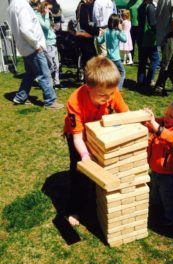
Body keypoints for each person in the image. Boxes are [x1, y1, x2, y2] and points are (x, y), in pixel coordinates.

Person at [63, 55, 129, 226]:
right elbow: (77, 137)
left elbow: (126, 116)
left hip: (98, 133)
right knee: (79, 172)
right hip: (78, 136)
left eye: (111, 94)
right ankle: (74, 208)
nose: (108, 99)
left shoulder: (110, 92)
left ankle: (98, 198)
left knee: (103, 163)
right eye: (102, 95)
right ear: (88, 87)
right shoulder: (74, 102)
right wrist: (84, 155)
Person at [8, 0, 63, 109]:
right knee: (44, 73)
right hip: (32, 47)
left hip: (25, 47)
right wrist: (37, 45)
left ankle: (20, 97)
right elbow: (25, 30)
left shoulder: (13, 5)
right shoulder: (23, 6)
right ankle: (50, 101)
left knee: (30, 73)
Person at [96, 14, 127, 90]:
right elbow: (124, 39)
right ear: (117, 23)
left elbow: (99, 42)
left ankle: (108, 87)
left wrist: (98, 35)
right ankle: (118, 89)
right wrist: (121, 30)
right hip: (116, 58)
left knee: (111, 74)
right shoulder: (117, 33)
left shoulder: (106, 32)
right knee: (122, 73)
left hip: (109, 57)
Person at [36, 1, 61, 89]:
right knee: (50, 65)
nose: (50, 11)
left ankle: (57, 82)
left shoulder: (48, 16)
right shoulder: (39, 16)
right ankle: (49, 83)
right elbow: (46, 26)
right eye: (48, 9)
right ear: (44, 8)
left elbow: (51, 27)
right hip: (47, 43)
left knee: (57, 64)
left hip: (53, 42)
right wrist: (46, 15)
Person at [137, 0, 160, 87]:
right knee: (155, 60)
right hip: (148, 38)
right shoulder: (150, 7)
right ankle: (149, 79)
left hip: (141, 36)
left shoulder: (140, 6)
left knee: (142, 60)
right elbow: (152, 23)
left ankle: (141, 81)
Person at [76, 0, 100, 66]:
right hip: (86, 35)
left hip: (83, 35)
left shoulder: (80, 5)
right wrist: (95, 31)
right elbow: (84, 24)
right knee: (90, 57)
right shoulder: (83, 6)